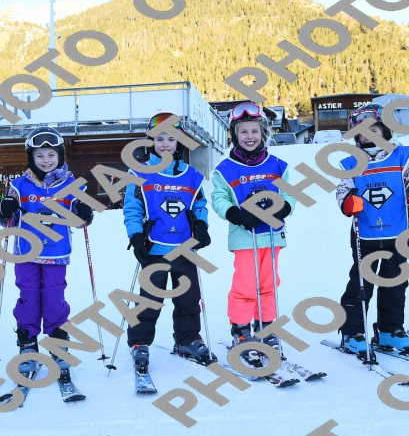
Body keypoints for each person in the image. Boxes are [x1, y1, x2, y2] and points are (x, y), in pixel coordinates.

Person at [0, 129, 94, 392]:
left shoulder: (72, 185)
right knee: (28, 297)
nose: (46, 160)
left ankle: (58, 342)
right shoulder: (18, 185)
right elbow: (7, 218)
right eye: (40, 155)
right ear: (31, 157)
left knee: (54, 298)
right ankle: (27, 344)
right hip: (26, 252)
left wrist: (84, 212)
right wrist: (4, 210)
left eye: (51, 155)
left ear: (60, 156)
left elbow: (80, 219)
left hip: (56, 252)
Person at [335, 103, 409, 357]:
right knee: (361, 282)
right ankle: (352, 332)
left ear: (386, 130)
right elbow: (343, 189)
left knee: (396, 281)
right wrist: (348, 201)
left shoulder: (404, 156)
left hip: (397, 230)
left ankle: (390, 329)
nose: (368, 135)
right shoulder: (350, 162)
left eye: (374, 129)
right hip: (364, 232)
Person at [124, 113, 213, 376]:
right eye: (160, 138)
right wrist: (136, 237)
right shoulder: (139, 173)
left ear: (179, 142)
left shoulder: (191, 175)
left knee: (188, 298)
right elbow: (132, 209)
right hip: (154, 248)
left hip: (185, 247)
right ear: (151, 141)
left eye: (171, 139)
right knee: (150, 299)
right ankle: (139, 342)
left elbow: (199, 205)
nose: (165, 144)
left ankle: (187, 339)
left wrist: (201, 226)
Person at [210, 102, 296, 365]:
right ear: (234, 134)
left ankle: (266, 327)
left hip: (272, 235)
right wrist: (235, 214)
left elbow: (289, 194)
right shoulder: (225, 169)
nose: (250, 136)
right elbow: (219, 198)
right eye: (243, 131)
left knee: (269, 284)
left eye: (255, 131)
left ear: (263, 133)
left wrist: (283, 207)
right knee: (246, 286)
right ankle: (241, 330)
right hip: (244, 238)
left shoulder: (278, 165)